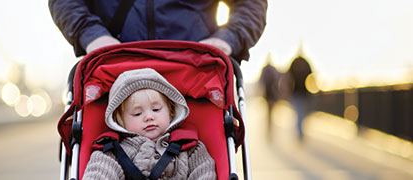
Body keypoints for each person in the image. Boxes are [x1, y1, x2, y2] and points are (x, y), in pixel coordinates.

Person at [83, 68, 216, 179]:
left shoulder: (190, 148)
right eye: (137, 114)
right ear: (120, 121)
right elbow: (99, 172)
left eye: (156, 110)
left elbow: (204, 173)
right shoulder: (113, 151)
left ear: (171, 112)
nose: (149, 117)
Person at [48, 0, 267, 63]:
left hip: (196, 68)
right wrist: (93, 35)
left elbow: (250, 4)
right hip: (114, 64)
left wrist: (227, 39)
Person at [287, 56, 312, 141]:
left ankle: (300, 132)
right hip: (301, 92)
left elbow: (288, 76)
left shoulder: (295, 62)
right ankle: (300, 133)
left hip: (299, 92)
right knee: (300, 113)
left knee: (299, 113)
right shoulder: (304, 62)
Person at [259, 59, 281, 141]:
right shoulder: (274, 70)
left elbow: (261, 81)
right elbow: (278, 80)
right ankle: (270, 129)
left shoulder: (264, 69)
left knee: (268, 112)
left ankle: (269, 129)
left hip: (267, 94)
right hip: (273, 94)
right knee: (271, 112)